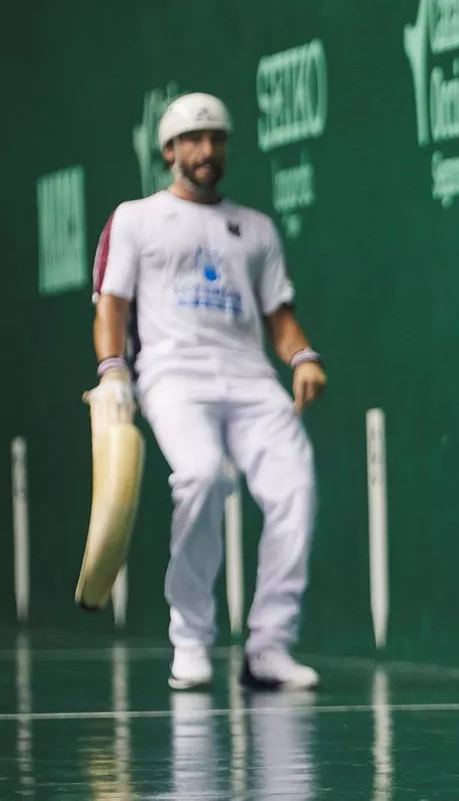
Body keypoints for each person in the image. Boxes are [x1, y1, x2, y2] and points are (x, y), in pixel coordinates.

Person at [88, 92, 326, 691]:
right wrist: (113, 370)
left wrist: (302, 357)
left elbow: (280, 316)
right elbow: (111, 303)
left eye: (216, 138)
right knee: (202, 477)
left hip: (250, 379)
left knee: (295, 489)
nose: (206, 149)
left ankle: (269, 647)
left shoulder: (257, 228)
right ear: (168, 151)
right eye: (192, 139)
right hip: (173, 375)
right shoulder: (136, 218)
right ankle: (191, 639)